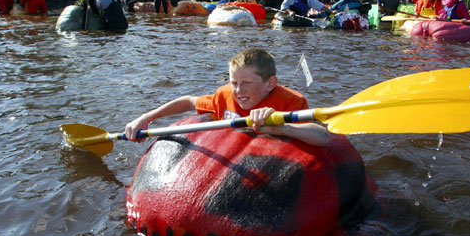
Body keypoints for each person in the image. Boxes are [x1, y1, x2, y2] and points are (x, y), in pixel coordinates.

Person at [124, 48, 330, 147]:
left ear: (270, 84)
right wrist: (146, 118)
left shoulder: (291, 101)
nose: (238, 90)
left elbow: (323, 136)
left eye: (247, 83)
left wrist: (281, 127)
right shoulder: (224, 95)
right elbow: (188, 101)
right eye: (234, 82)